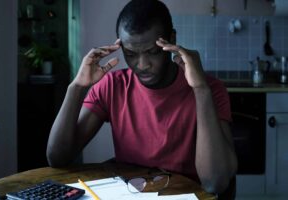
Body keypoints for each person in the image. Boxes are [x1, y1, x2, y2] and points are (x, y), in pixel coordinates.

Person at [46, 0, 237, 195]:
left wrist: (200, 89)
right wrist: (77, 87)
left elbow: (215, 182)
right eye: (130, 53)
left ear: (171, 39)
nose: (142, 64)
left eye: (152, 52)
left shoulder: (209, 88)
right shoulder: (112, 86)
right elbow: (57, 158)